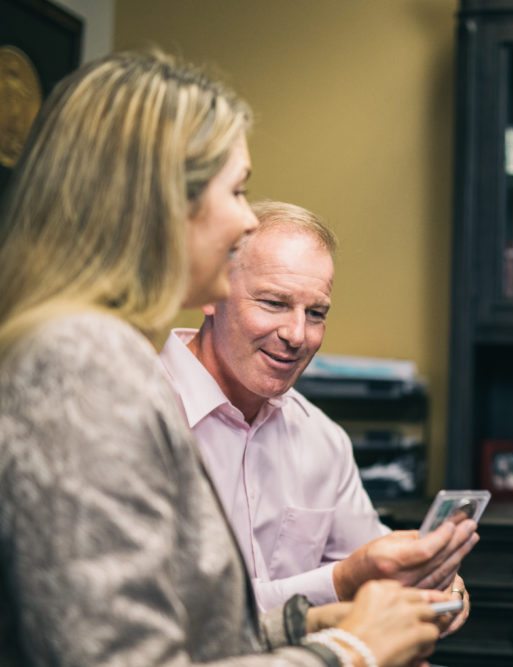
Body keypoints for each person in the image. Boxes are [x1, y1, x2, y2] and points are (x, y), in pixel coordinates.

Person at [0, 50, 449, 666]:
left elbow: (186, 626)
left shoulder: (105, 351)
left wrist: (307, 622)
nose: (245, 221)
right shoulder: (82, 363)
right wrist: (349, 650)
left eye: (315, 312)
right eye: (235, 189)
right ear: (159, 201)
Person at [159, 200, 476, 631]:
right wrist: (342, 582)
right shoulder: (141, 412)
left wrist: (431, 581)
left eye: (316, 314)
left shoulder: (321, 438)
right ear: (212, 292)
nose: (296, 335)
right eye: (273, 303)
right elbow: (182, 610)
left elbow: (369, 557)